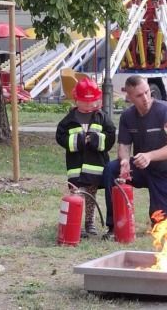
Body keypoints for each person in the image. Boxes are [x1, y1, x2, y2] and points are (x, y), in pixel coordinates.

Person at [102, 75, 167, 240]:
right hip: (143, 168)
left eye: (147, 92)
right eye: (139, 96)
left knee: (162, 228)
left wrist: (149, 156)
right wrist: (125, 161)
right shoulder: (127, 116)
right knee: (112, 169)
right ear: (130, 97)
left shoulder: (165, 111)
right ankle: (114, 227)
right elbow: (124, 146)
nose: (146, 98)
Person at [55, 78, 116, 237]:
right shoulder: (69, 120)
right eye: (85, 101)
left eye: (93, 101)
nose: (89, 105)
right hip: (75, 168)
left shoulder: (101, 117)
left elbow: (110, 136)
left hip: (94, 168)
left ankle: (90, 223)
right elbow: (60, 137)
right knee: (76, 196)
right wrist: (80, 140)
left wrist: (96, 140)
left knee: (90, 197)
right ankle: (75, 224)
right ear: (76, 100)